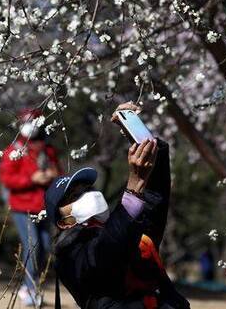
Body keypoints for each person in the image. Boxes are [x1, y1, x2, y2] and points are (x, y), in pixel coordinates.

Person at [45, 102, 189, 309]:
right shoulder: (70, 256)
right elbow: (107, 253)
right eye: (74, 196)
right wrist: (133, 187)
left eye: (86, 189)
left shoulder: (126, 228)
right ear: (64, 223)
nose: (86, 195)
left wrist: (140, 139)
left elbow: (153, 201)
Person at [0, 108, 61, 307]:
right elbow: (7, 178)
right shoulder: (13, 150)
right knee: (32, 245)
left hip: (43, 206)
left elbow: (58, 173)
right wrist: (31, 178)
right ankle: (28, 288)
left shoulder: (47, 149)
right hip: (22, 207)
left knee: (43, 247)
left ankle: (34, 286)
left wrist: (52, 175)